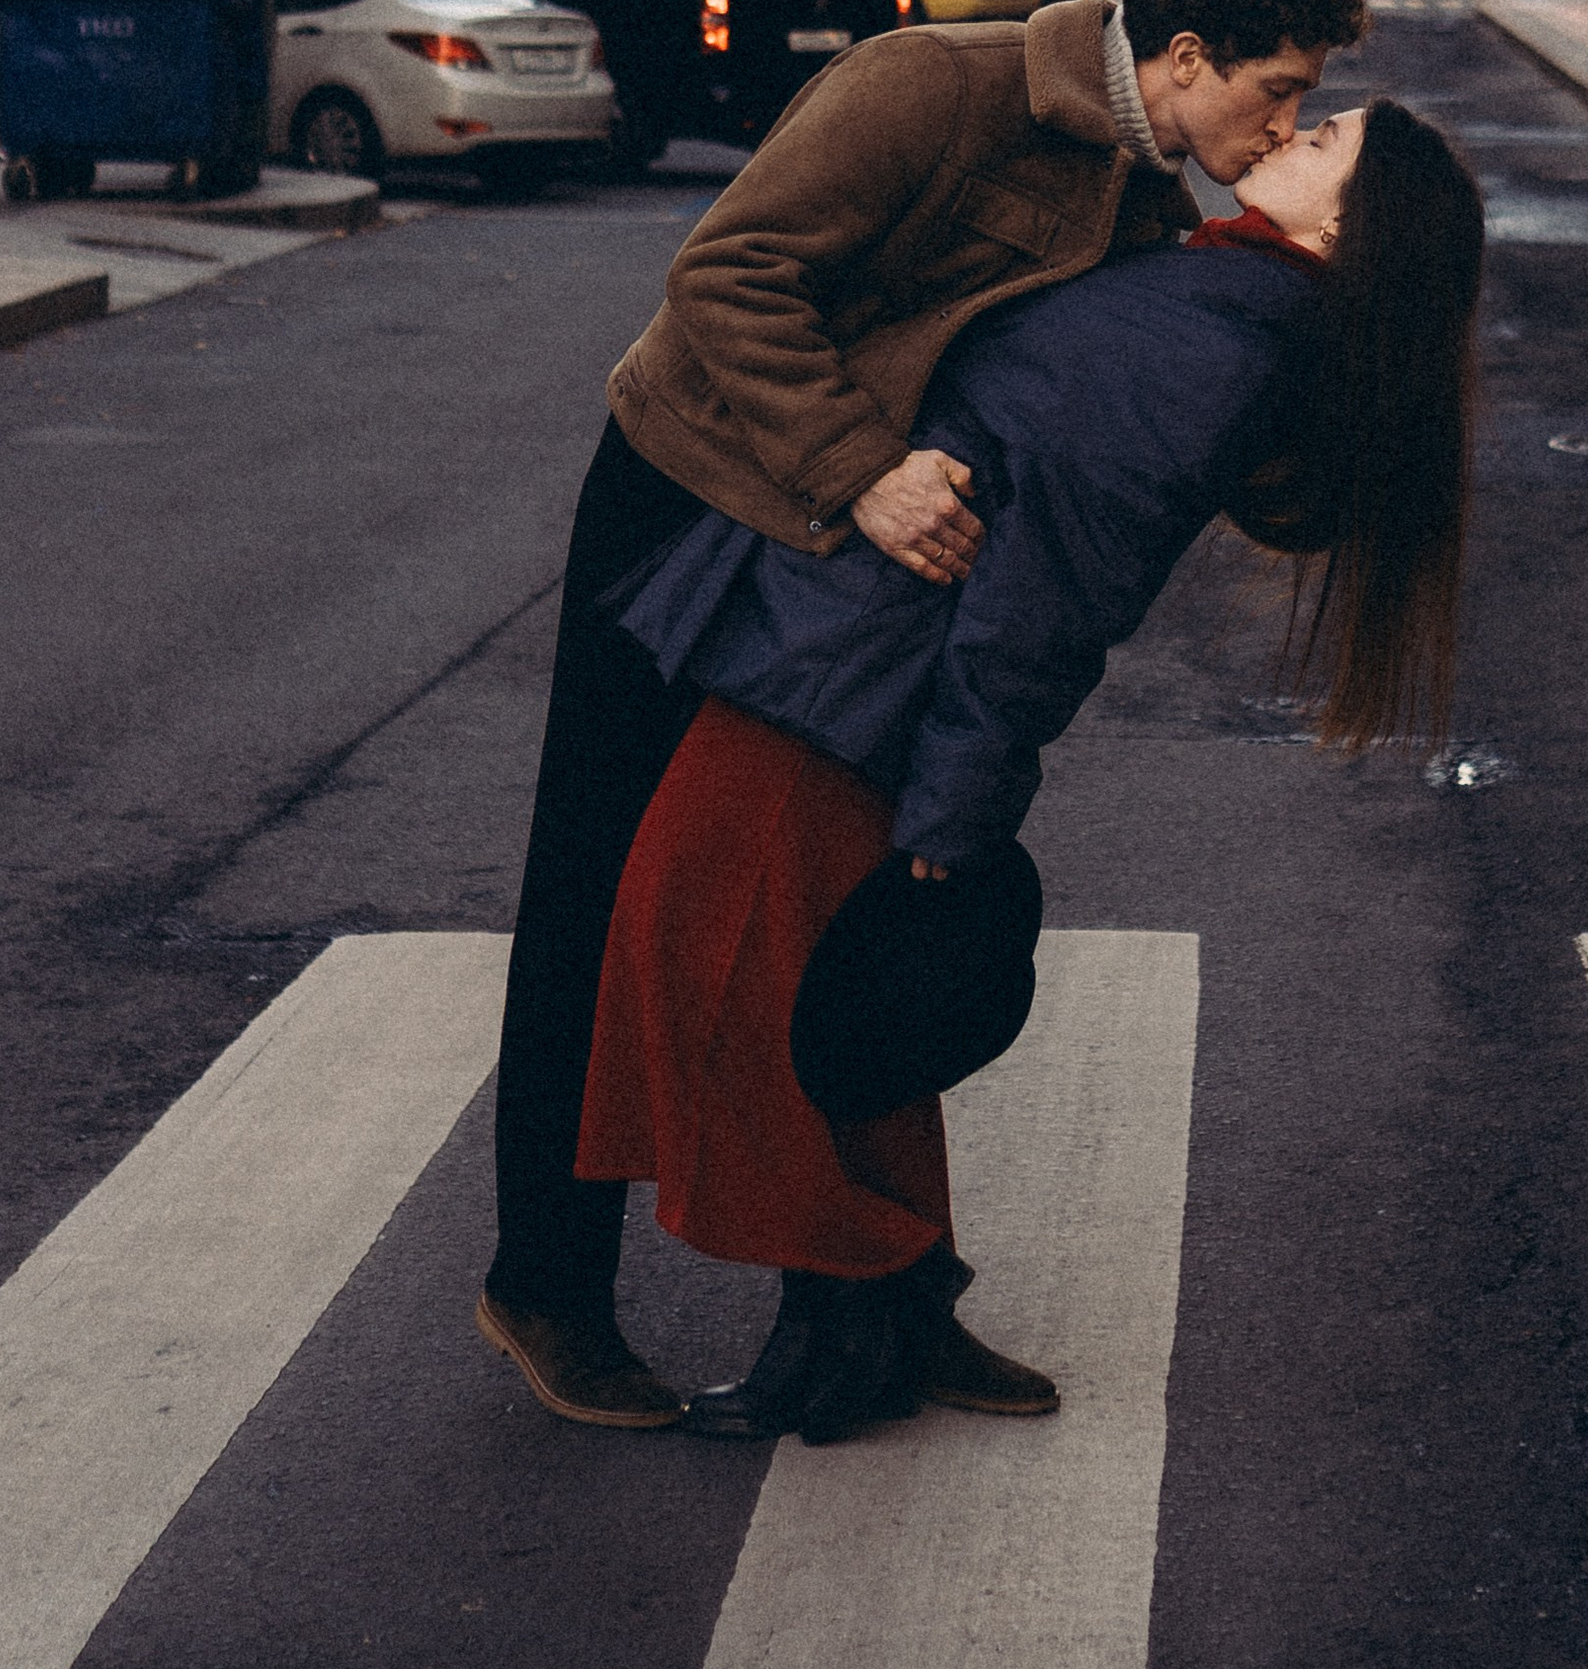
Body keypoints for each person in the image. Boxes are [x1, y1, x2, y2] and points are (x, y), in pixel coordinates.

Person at [478, 0, 1368, 1431]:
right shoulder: (932, 87)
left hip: (843, 573)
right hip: (694, 493)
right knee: (601, 887)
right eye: (1273, 93)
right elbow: (727, 276)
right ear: (1185, 55)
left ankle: (894, 1295)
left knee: (853, 923)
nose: (1282, 125)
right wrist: (865, 472)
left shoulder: (1149, 189)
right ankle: (546, 1290)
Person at [574, 92, 1488, 1444]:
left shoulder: (1220, 348)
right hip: (851, 652)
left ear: (1347, 224)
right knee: (818, 993)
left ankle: (847, 1312)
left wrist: (956, 810)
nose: (1288, 131)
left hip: (853, 677)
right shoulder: (1225, 289)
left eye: (1320, 140)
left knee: (713, 975)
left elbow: (1049, 594)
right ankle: (904, 1297)